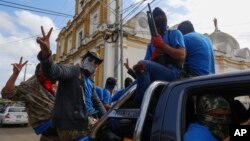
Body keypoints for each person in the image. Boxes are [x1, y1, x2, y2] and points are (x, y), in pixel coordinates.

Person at [36, 26, 106, 141]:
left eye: (96, 63)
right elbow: (52, 72)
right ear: (83, 60)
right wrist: (46, 52)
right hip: (71, 123)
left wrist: (106, 118)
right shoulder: (73, 70)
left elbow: (97, 102)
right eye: (90, 59)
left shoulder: (90, 81)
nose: (92, 63)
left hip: (86, 118)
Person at [133, 7, 185, 104]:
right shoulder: (151, 44)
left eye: (161, 16)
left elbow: (182, 55)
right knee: (134, 80)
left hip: (173, 73)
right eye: (156, 17)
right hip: (156, 74)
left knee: (143, 65)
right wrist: (154, 55)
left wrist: (163, 46)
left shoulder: (173, 34)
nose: (159, 18)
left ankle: (140, 104)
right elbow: (145, 66)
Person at [1, 58, 59, 141]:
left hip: (62, 127)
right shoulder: (31, 85)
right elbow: (7, 94)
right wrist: (15, 74)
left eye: (48, 69)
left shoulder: (58, 85)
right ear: (38, 72)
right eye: (41, 70)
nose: (44, 72)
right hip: (47, 125)